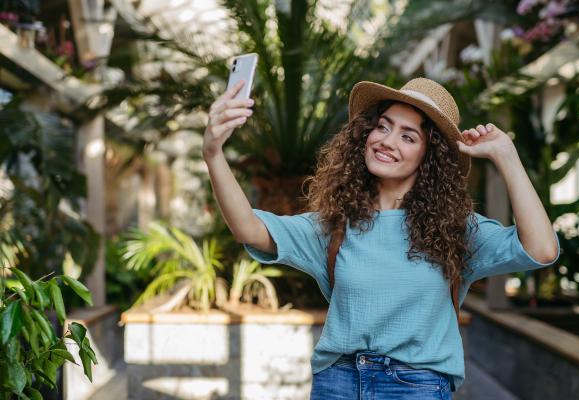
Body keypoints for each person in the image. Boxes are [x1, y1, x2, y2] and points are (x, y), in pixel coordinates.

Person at [202, 77, 560, 399]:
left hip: (416, 387)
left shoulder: (455, 229)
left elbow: (541, 249)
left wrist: (506, 156)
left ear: (429, 155)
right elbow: (248, 228)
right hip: (337, 383)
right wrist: (213, 153)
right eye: (383, 126)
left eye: (408, 135)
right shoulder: (334, 225)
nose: (387, 141)